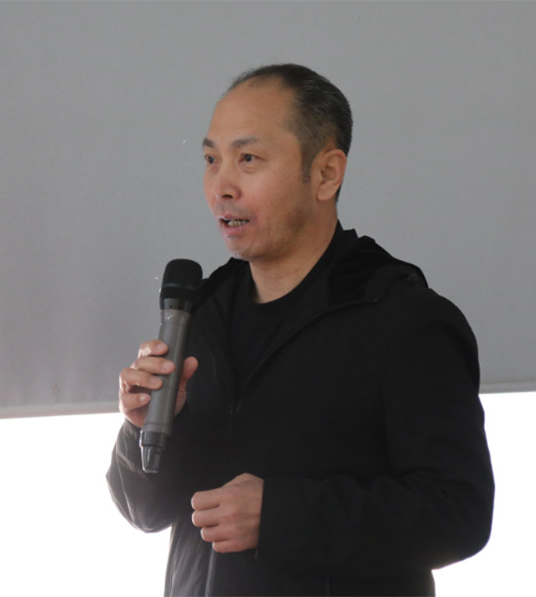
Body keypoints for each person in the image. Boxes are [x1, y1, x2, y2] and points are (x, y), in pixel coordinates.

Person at [107, 63, 494, 596]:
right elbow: (146, 511)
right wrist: (146, 429)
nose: (221, 187)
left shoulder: (403, 319)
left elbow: (458, 513)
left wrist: (279, 517)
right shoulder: (202, 314)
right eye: (211, 159)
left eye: (248, 159)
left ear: (326, 174)